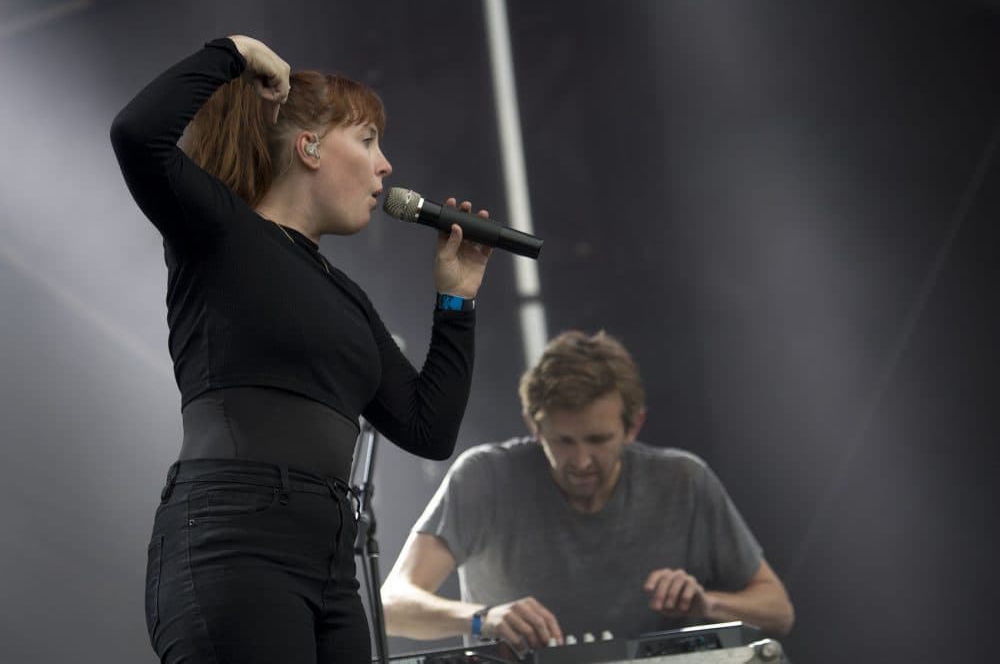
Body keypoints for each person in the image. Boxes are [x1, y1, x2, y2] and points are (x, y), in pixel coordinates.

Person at [110, 34, 492, 664]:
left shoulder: (347, 299)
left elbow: (429, 428)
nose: (386, 165)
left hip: (329, 561)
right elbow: (136, 135)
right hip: (234, 537)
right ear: (309, 147)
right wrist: (233, 51)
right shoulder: (220, 232)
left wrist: (457, 300)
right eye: (368, 140)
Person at [381, 330, 794, 652]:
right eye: (563, 441)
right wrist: (480, 619)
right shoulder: (483, 476)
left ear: (634, 426)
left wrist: (707, 606)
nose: (580, 461)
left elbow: (778, 611)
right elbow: (392, 606)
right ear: (533, 426)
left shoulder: (684, 481)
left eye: (598, 440)